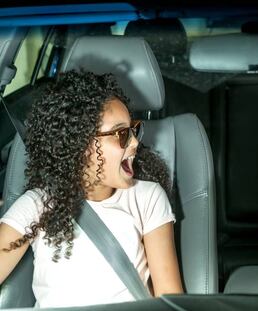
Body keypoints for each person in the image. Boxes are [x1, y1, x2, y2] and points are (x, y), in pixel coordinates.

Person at [0, 70, 183, 307]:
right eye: (122, 134)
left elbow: (170, 298)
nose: (136, 142)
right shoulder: (37, 204)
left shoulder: (147, 197)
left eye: (133, 129)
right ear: (81, 145)